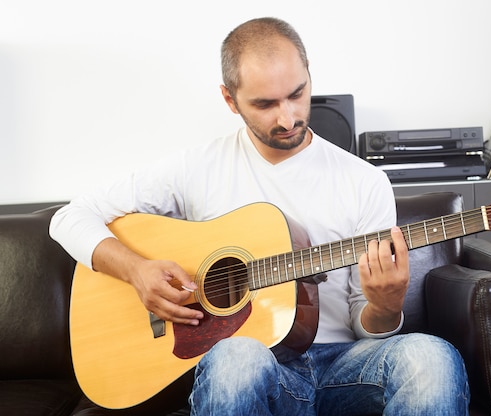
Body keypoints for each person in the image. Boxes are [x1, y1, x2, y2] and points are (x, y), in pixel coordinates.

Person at [50, 17, 469, 416]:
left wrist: (385, 305)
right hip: (254, 366)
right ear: (230, 100)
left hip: (346, 366)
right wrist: (137, 270)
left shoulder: (365, 182)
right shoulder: (195, 168)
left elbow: (367, 324)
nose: (287, 118)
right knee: (237, 354)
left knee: (430, 356)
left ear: (308, 76)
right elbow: (69, 218)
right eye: (265, 104)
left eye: (296, 94)